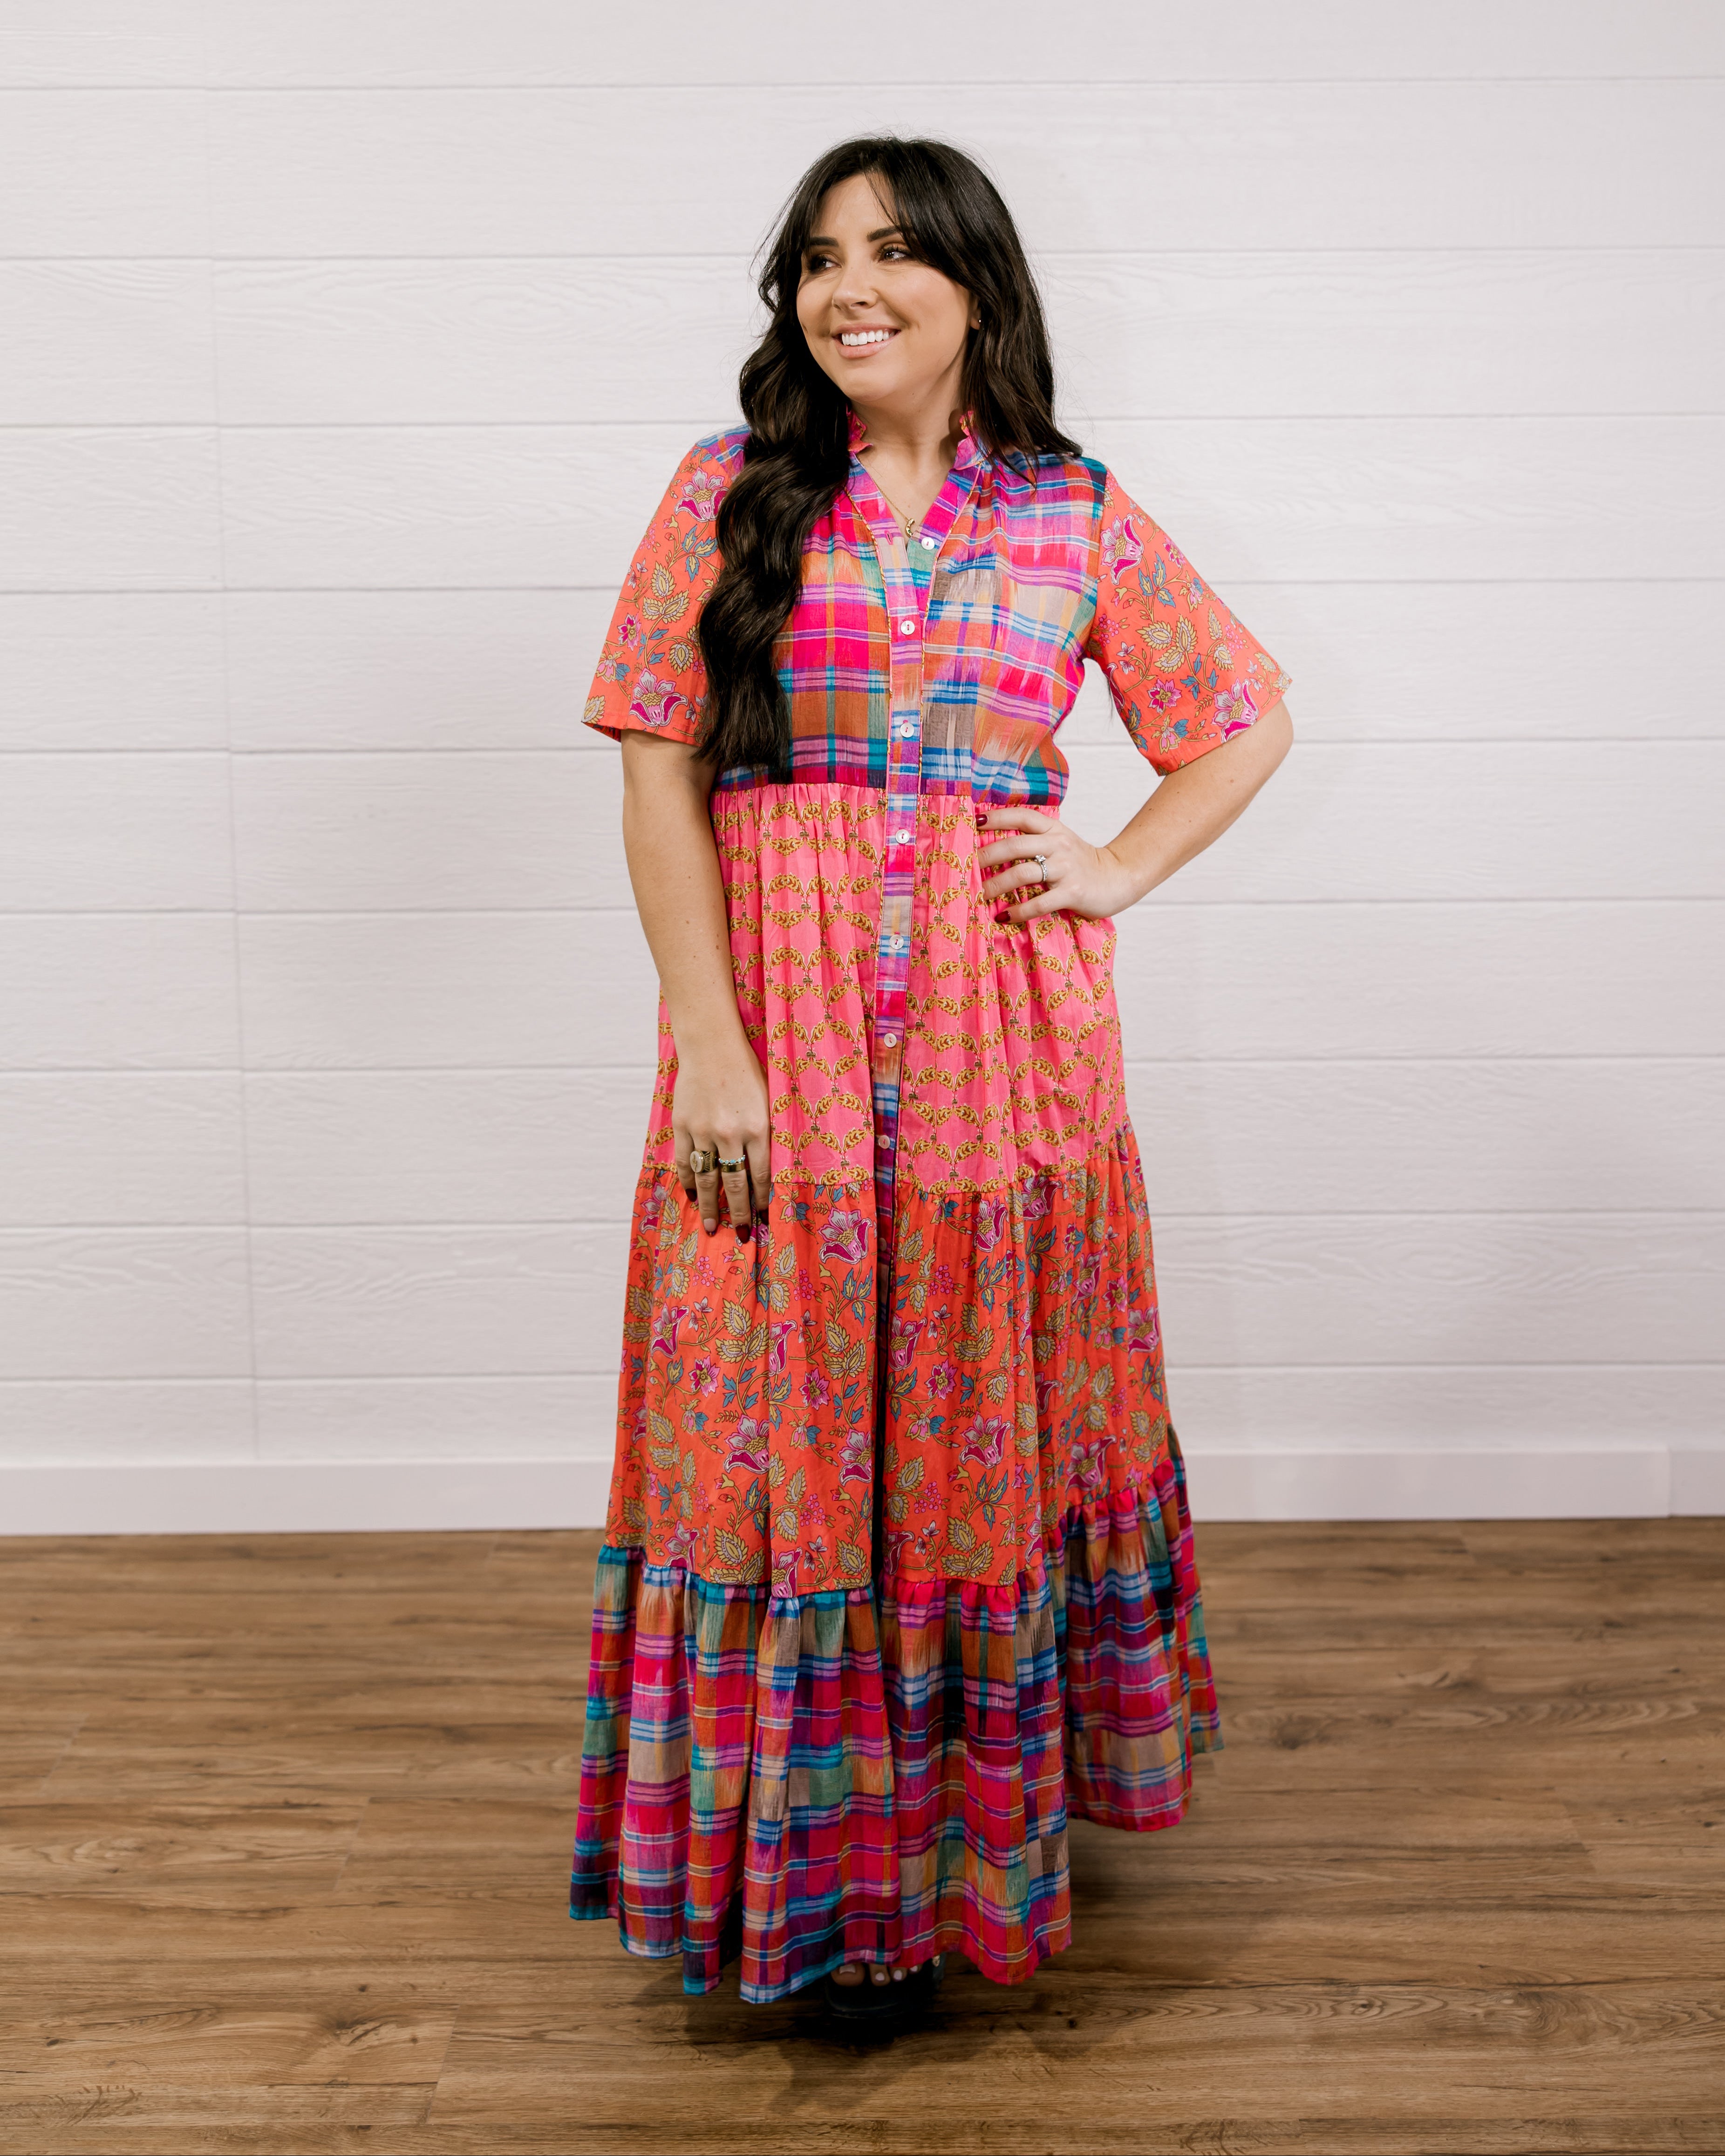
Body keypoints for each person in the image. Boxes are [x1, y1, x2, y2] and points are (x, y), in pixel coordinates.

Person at [570, 135, 1292, 2021]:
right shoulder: (726, 492)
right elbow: (654, 767)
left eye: (893, 253)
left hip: (1005, 1054)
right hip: (778, 1048)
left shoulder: (1071, 512)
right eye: (819, 260)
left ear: (977, 288)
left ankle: (961, 1856)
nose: (849, 289)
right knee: (773, 1434)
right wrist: (710, 1040)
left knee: (975, 1441)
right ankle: (804, 1879)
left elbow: (1241, 716)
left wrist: (1115, 864)